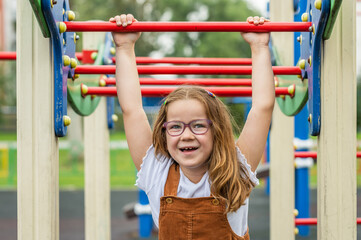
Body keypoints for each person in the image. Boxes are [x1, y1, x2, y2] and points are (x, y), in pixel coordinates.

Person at [109, 14, 274, 240]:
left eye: (198, 125)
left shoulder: (234, 170)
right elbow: (132, 111)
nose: (186, 135)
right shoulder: (157, 172)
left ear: (216, 131)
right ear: (164, 132)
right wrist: (124, 47)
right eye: (176, 126)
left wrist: (259, 46)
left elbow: (262, 108)